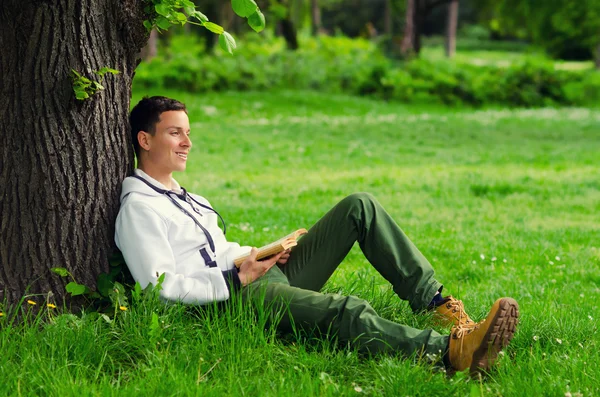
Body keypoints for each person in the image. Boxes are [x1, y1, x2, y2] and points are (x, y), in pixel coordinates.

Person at [115, 96, 519, 375]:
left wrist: (265, 253)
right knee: (345, 310)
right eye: (175, 133)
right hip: (231, 302)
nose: (187, 143)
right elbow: (158, 286)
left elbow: (214, 250)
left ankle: (439, 305)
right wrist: (237, 277)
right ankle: (450, 352)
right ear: (145, 140)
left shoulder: (188, 196)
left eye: (188, 132)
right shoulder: (139, 208)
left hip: (254, 275)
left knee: (358, 207)